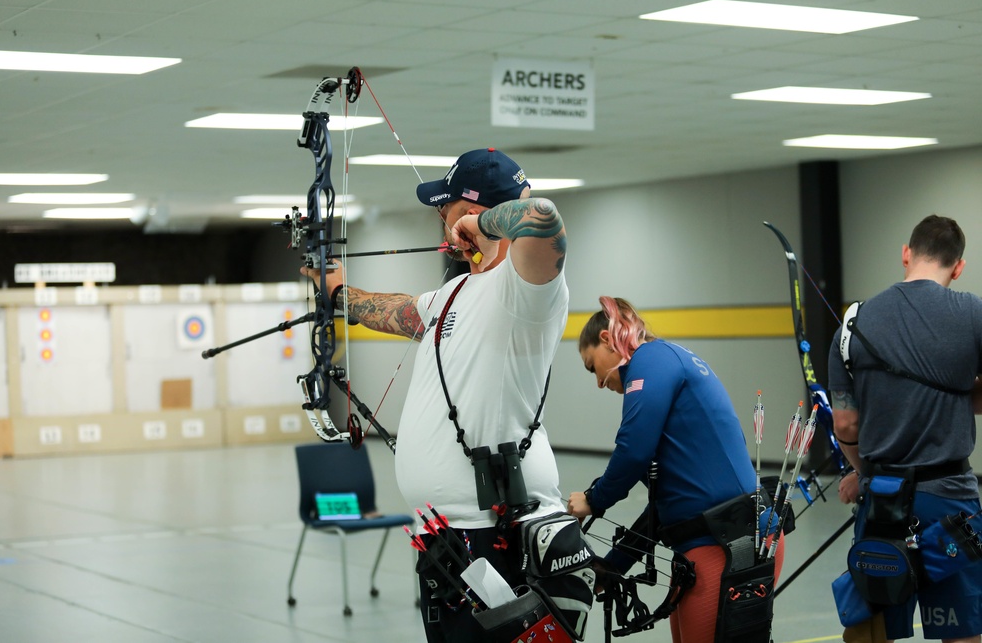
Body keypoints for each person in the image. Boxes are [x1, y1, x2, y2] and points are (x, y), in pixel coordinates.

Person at [301, 147, 569, 642]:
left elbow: (542, 217)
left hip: (495, 532)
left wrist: (481, 222)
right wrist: (337, 290)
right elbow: (398, 311)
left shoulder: (526, 288)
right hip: (449, 540)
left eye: (443, 208)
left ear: (469, 211)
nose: (438, 219)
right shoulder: (455, 293)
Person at [566, 296, 784, 643]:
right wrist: (613, 566)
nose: (597, 382)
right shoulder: (666, 362)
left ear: (608, 339)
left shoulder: (652, 360)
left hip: (729, 541)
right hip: (713, 537)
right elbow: (664, 504)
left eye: (592, 367)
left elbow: (633, 450)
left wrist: (594, 499)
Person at [829, 215, 982, 643]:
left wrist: (863, 472)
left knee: (873, 630)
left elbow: (846, 421)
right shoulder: (974, 313)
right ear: (958, 267)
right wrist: (955, 394)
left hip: (882, 502)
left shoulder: (854, 323)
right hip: (952, 502)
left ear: (905, 253)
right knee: (964, 632)